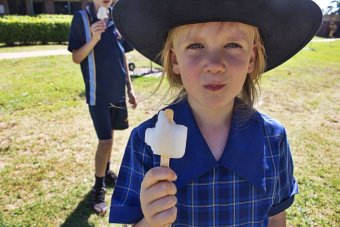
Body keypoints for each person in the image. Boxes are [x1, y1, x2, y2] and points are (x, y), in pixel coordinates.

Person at [109, 0, 322, 226]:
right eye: (195, 46)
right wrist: (151, 222)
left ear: (251, 58)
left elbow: (276, 218)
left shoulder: (273, 138)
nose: (214, 64)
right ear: (174, 60)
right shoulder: (145, 142)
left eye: (232, 45)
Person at [67, 0, 137, 216]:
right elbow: (76, 57)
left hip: (117, 91)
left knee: (111, 135)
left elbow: (122, 54)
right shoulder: (82, 18)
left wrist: (129, 88)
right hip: (98, 94)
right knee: (105, 141)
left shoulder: (116, 17)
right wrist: (94, 38)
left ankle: (106, 172)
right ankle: (99, 188)